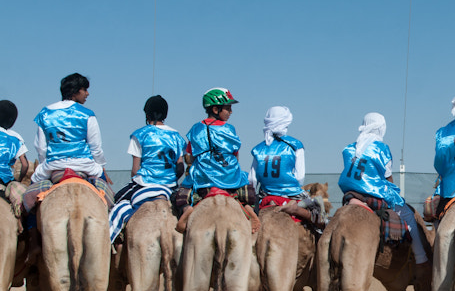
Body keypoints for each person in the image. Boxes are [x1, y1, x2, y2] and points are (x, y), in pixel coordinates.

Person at [339, 112, 428, 264]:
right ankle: (421, 258)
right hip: (372, 192)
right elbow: (388, 178)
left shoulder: (348, 148)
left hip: (350, 193)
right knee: (408, 216)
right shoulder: (381, 148)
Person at [175, 87, 256, 233]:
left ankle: (187, 210)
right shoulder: (229, 129)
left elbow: (191, 157)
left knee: (180, 196)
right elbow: (235, 156)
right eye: (228, 108)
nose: (231, 111)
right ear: (215, 109)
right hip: (230, 179)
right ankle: (249, 211)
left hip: (203, 180)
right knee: (248, 194)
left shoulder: (195, 129)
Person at [108, 95, 186, 243]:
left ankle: (118, 237)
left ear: (147, 114)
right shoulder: (177, 136)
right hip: (169, 186)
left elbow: (135, 170)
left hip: (144, 183)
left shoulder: (140, 134)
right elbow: (180, 167)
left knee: (116, 203)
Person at [29, 73, 109, 188]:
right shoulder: (87, 114)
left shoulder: (44, 113)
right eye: (85, 90)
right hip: (84, 165)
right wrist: (101, 167)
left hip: (52, 166)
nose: (87, 93)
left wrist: (45, 164)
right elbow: (96, 148)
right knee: (108, 198)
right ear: (75, 91)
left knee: (28, 196)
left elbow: (41, 148)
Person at [249, 106, 323, 227]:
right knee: (320, 211)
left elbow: (252, 180)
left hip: (266, 197)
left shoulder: (257, 149)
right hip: (291, 194)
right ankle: (296, 211)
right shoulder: (295, 145)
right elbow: (300, 178)